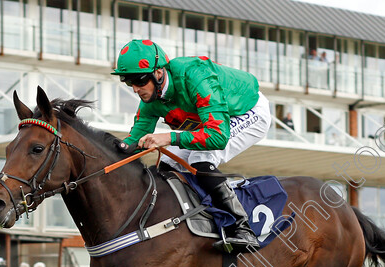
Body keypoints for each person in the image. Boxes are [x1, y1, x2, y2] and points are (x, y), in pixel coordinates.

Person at [112, 39, 271, 252]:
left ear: (158, 73)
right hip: (213, 122)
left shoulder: (195, 77)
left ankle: (242, 228)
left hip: (247, 111)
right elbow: (134, 141)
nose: (135, 89)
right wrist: (108, 150)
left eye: (139, 81)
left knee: (200, 159)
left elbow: (217, 137)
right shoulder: (151, 100)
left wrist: (169, 137)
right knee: (167, 162)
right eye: (128, 82)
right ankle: (190, 221)